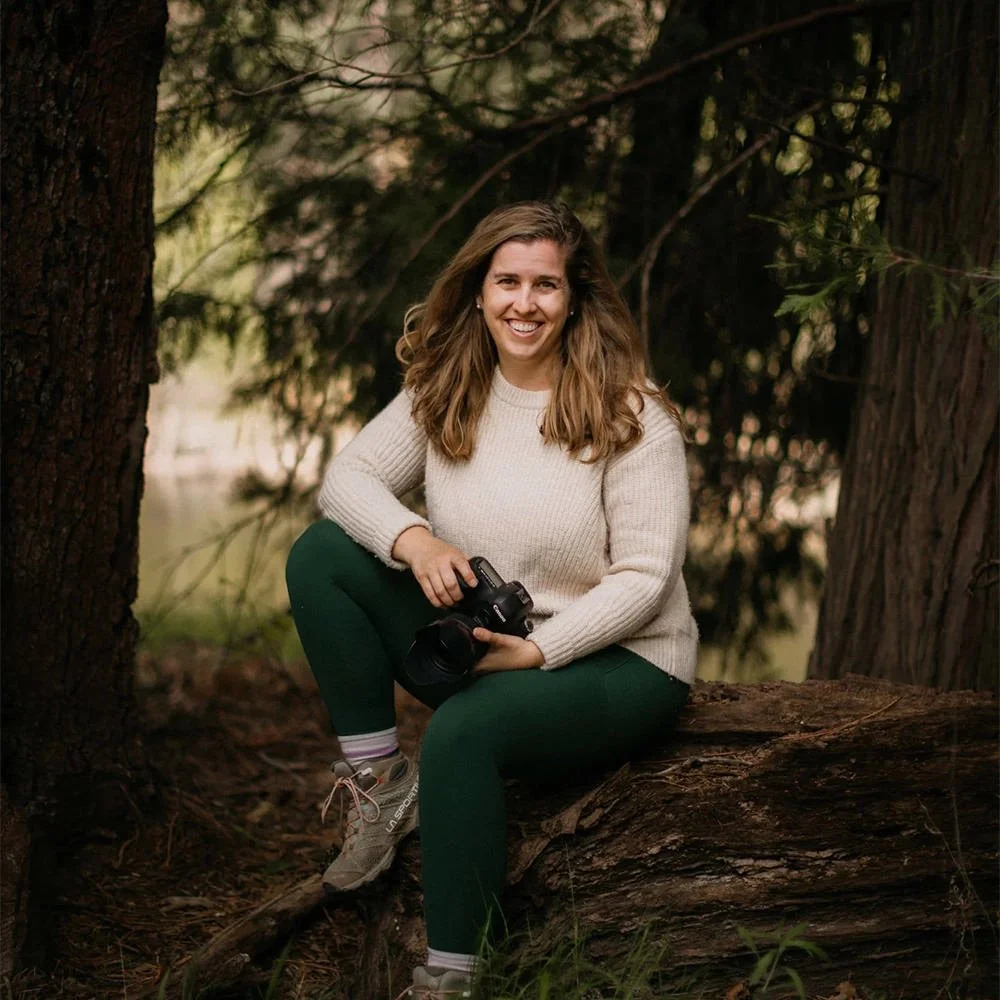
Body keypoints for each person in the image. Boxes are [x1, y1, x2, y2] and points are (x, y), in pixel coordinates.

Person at [285, 200, 698, 999]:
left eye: (545, 284)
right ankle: (378, 787)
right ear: (478, 290)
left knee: (463, 732)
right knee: (324, 554)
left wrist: (541, 650)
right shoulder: (445, 390)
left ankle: (454, 978)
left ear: (575, 297)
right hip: (481, 638)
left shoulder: (630, 414)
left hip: (621, 660)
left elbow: (647, 579)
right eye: (507, 280)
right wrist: (417, 541)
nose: (524, 302)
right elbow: (347, 480)